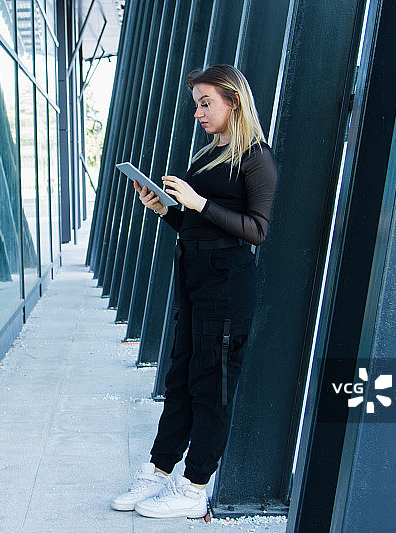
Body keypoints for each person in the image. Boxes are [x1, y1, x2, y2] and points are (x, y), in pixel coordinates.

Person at [110, 64, 278, 520]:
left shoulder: (256, 158)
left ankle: (195, 485)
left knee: (212, 383)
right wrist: (165, 210)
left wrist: (198, 202)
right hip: (194, 276)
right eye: (196, 105)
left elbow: (257, 230)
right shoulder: (207, 156)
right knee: (181, 377)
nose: (198, 113)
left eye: (206, 103)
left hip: (227, 281)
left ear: (234, 101)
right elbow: (196, 226)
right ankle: (159, 469)